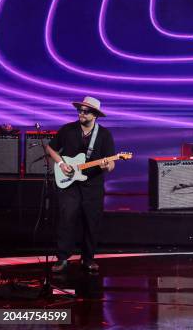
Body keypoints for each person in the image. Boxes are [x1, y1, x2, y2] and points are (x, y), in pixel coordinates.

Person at [47, 96, 115, 273]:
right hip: (70, 184)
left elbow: (112, 164)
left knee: (91, 221)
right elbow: (51, 148)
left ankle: (88, 258)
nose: (81, 114)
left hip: (93, 186)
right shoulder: (67, 129)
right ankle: (62, 258)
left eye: (86, 111)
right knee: (66, 219)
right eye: (80, 110)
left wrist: (107, 165)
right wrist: (61, 164)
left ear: (95, 115)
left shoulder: (104, 135)